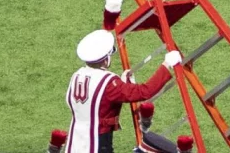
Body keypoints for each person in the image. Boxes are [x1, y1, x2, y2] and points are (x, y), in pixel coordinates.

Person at [65, 25, 182, 153]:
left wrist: (122, 84)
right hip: (97, 141)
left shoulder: (77, 75)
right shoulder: (109, 83)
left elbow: (100, 98)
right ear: (106, 59)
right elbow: (145, 91)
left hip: (76, 138)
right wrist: (166, 65)